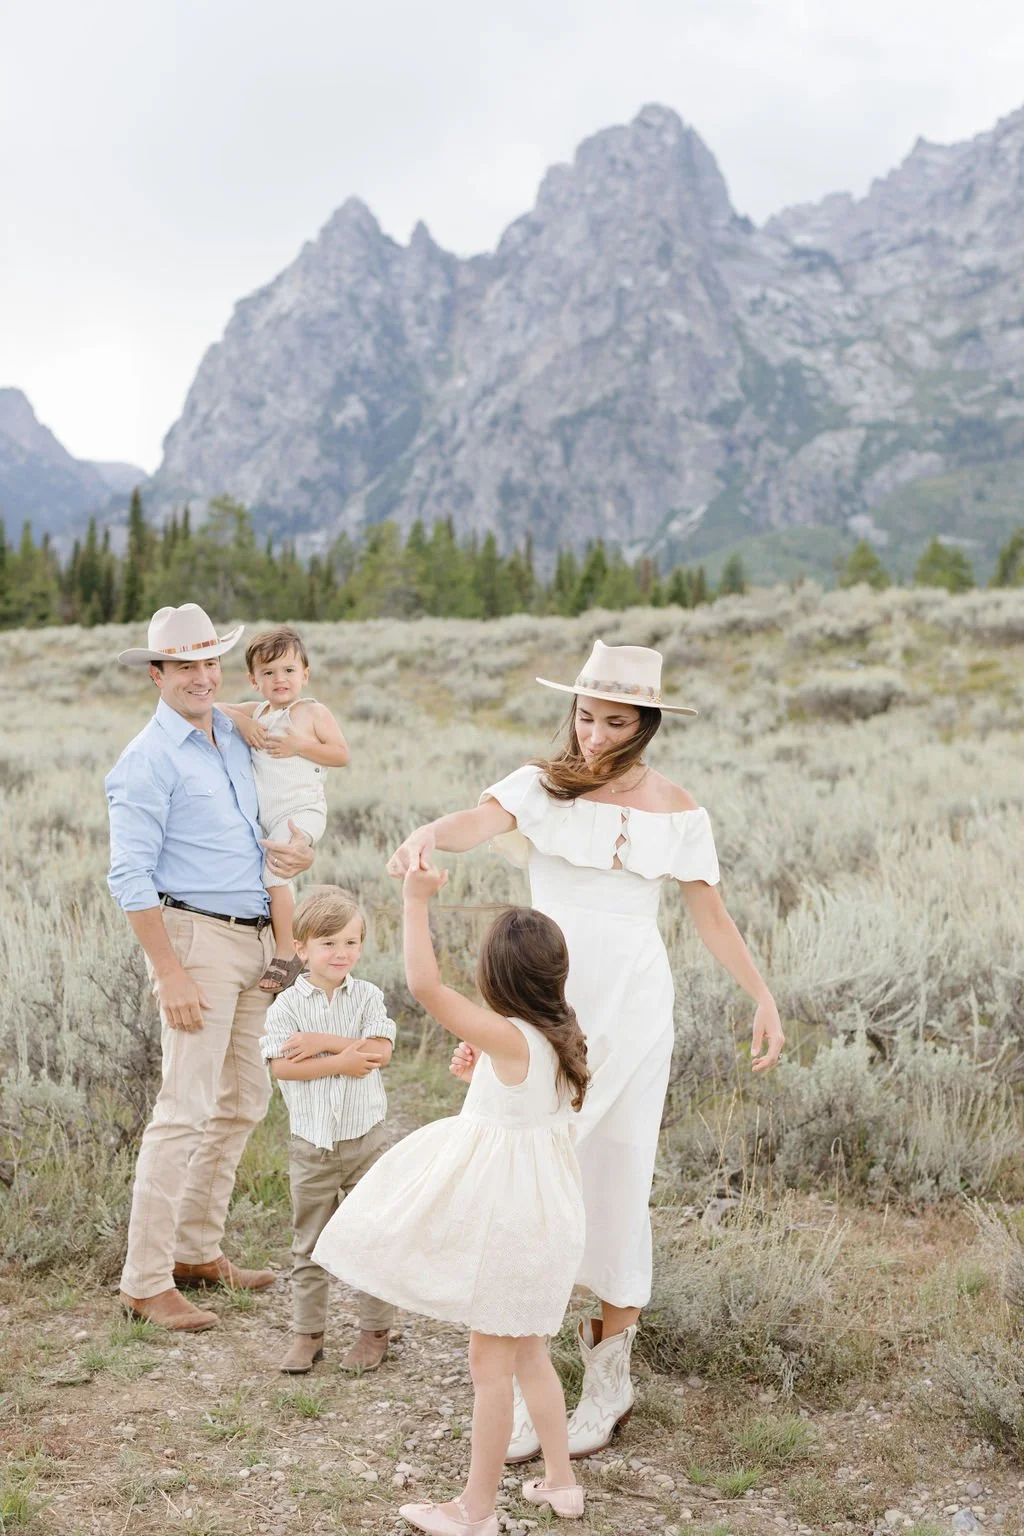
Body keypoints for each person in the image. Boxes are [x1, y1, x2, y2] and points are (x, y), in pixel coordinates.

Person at [387, 639, 786, 1459]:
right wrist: (429, 831)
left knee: (615, 1173)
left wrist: (762, 993)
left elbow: (710, 913)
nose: (594, 733)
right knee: (515, 1161)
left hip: (633, 1005)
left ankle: (606, 1386)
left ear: (644, 725)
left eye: (613, 721)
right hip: (546, 995)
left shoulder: (679, 810)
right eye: (584, 714)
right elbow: (474, 823)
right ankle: (518, 1365)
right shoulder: (540, 785)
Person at [312, 866, 588, 1536]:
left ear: (496, 978)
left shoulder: (512, 1038)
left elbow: (425, 987)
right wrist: (484, 1063)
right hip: (546, 1222)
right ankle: (560, 1482)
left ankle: (475, 1510)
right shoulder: (559, 1035)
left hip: (513, 1225)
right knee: (528, 1354)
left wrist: (414, 901)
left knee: (488, 1367)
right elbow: (520, 1087)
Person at [106, 603, 315, 1331]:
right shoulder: (146, 761)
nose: (200, 676)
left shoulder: (229, 729)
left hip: (259, 939)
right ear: (155, 674)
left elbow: (272, 816)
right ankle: (144, 1279)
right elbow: (129, 877)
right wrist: (168, 972)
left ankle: (197, 1251)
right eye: (183, 666)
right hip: (194, 941)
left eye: (209, 663)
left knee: (243, 1102)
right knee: (183, 1110)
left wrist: (299, 854)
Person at [259, 885, 398, 1374]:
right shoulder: (286, 1007)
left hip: (366, 1140)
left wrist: (322, 1044)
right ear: (301, 949)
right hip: (312, 1145)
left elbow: (380, 1052)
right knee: (309, 1244)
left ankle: (375, 1331)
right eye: (328, 943)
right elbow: (282, 1068)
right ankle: (308, 1334)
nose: (341, 953)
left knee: (370, 1236)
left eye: (351, 943)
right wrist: (342, 1058)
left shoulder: (367, 997)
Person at [220, 625, 349, 993]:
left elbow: (341, 754)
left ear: (305, 675)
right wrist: (242, 720)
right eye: (269, 672)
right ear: (253, 679)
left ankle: (286, 951)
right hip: (268, 816)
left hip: (301, 811)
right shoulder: (258, 711)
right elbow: (213, 707)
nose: (280, 679)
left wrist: (299, 746)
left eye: (289, 671)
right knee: (267, 874)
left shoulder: (310, 711)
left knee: (275, 872)